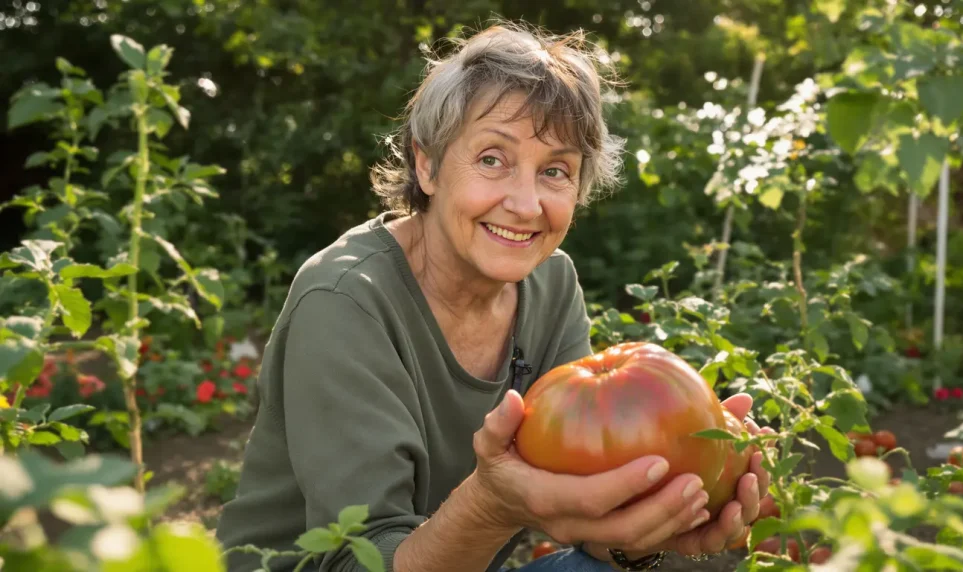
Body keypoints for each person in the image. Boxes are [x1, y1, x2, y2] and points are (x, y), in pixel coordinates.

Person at [215, 21, 772, 572]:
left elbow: (582, 511)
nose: (526, 204)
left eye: (556, 171)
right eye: (492, 159)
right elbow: (363, 562)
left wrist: (660, 516)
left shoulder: (551, 284)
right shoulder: (344, 301)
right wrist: (491, 505)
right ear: (426, 164)